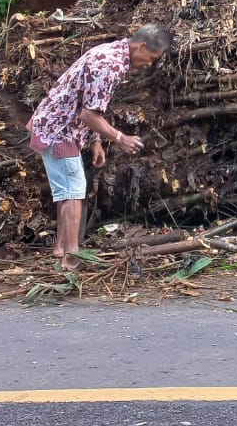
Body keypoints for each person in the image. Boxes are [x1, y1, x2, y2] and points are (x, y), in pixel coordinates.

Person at [29, 24, 171, 271]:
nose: (149, 64)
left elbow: (92, 104)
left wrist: (96, 141)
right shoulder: (110, 65)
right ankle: (72, 257)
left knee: (65, 192)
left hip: (50, 124)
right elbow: (88, 114)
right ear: (141, 46)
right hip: (60, 130)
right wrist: (119, 137)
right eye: (151, 58)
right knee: (74, 192)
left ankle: (60, 249)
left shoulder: (112, 53)